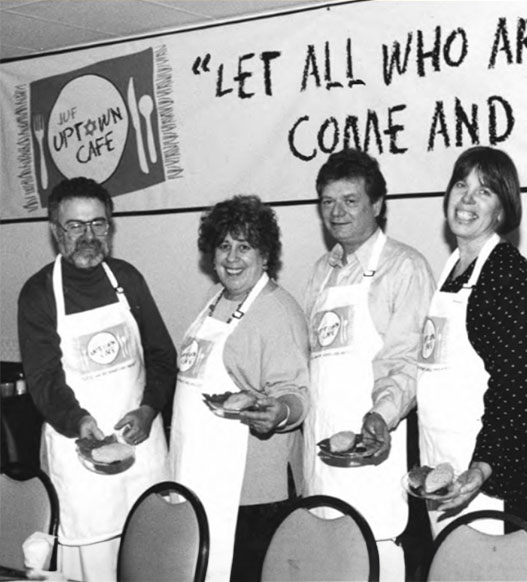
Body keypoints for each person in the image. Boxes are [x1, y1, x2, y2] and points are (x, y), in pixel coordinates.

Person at [17, 177, 174, 581]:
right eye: (75, 225)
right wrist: (79, 423)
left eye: (98, 224)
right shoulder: (38, 294)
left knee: (152, 560)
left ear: (111, 226)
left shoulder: (128, 280)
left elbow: (161, 356)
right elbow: (43, 379)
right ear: (56, 230)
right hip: (79, 461)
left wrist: (149, 408)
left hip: (143, 452)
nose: (88, 236)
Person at [415, 146, 527, 537]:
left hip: (492, 479)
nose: (466, 198)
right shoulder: (451, 268)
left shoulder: (508, 275)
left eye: (484, 191)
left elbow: (519, 387)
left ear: (502, 210)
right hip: (443, 465)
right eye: (461, 184)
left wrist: (483, 466)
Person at [303, 148, 435, 581]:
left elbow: (409, 359)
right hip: (320, 460)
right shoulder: (321, 272)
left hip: (375, 454)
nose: (336, 212)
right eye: (327, 201)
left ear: (377, 205)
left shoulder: (404, 267)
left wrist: (380, 417)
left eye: (350, 200)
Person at [169, 195, 309, 582]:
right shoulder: (214, 301)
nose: (232, 257)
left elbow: (295, 393)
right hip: (197, 475)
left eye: (244, 246)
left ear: (265, 255)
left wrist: (279, 412)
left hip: (250, 494)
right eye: (224, 245)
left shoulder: (278, 311)